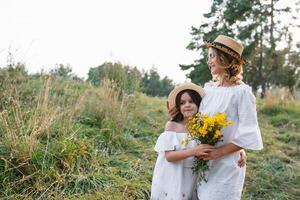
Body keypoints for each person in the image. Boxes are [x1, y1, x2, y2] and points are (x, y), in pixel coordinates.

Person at [195, 35, 263, 199]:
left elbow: (249, 132)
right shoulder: (209, 89)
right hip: (204, 162)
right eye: (208, 57)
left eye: (212, 56)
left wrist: (226, 151)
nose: (209, 61)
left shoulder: (241, 92)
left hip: (226, 165)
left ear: (225, 59)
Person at [151, 83, 247, 200]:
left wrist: (239, 149)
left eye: (191, 101)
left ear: (199, 104)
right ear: (178, 107)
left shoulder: (203, 126)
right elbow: (169, 156)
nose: (187, 105)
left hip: (191, 175)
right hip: (173, 174)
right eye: (182, 103)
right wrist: (194, 151)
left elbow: (221, 141)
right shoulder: (172, 126)